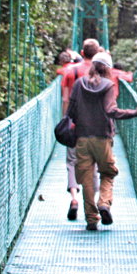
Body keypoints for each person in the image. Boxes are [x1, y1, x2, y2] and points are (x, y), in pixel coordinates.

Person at [65, 51, 137, 230]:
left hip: (82, 139)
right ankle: (104, 203)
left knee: (86, 179)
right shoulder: (108, 85)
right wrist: (136, 111)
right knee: (108, 173)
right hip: (102, 138)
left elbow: (70, 112)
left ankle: (91, 219)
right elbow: (112, 111)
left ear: (93, 66)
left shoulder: (79, 83)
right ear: (108, 68)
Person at [61, 39, 102, 220]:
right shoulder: (101, 73)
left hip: (75, 123)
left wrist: (66, 121)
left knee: (72, 162)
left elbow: (65, 100)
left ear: (82, 53)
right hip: (94, 125)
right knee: (92, 164)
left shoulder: (71, 71)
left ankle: (74, 198)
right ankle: (91, 204)